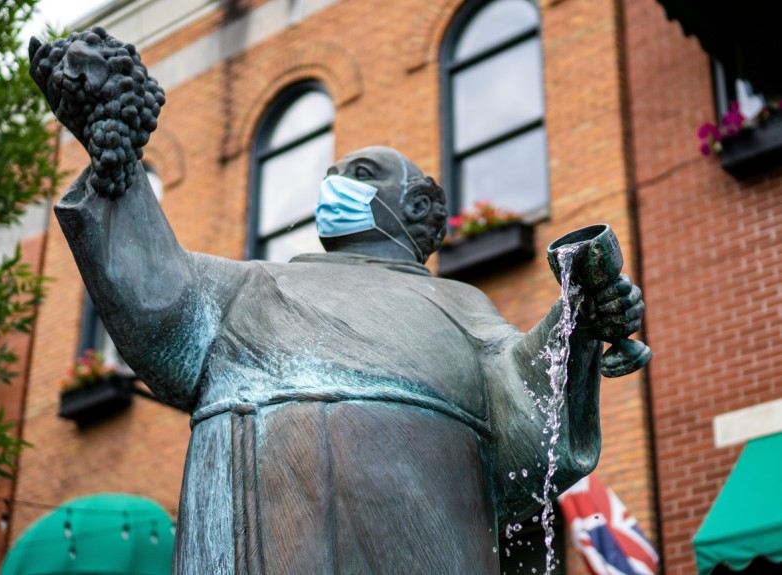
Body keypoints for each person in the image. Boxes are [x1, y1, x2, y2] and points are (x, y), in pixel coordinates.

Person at [54, 142, 645, 574]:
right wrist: (118, 164)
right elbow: (155, 298)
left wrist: (579, 323)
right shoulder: (246, 286)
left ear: (415, 209)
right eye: (333, 174)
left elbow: (523, 419)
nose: (334, 185)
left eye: (360, 174)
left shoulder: (462, 304)